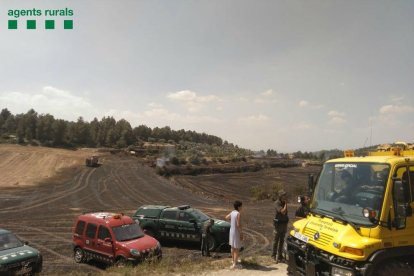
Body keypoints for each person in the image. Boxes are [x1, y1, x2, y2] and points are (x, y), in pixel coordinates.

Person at [272, 190, 288, 263]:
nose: (285, 197)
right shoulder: (277, 203)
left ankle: (280, 256)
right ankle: (273, 256)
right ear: (280, 196)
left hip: (284, 224)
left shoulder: (283, 203)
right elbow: (283, 212)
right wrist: (286, 204)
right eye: (284, 195)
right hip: (278, 225)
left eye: (285, 195)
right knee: (276, 240)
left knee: (282, 241)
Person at [225, 200, 243, 269]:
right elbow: (238, 225)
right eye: (241, 206)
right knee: (237, 248)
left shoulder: (232, 212)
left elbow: (226, 217)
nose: (242, 207)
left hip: (231, 231)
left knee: (232, 247)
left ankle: (233, 261)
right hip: (236, 232)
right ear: (238, 207)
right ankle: (235, 265)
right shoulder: (238, 214)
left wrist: (232, 221)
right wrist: (241, 233)